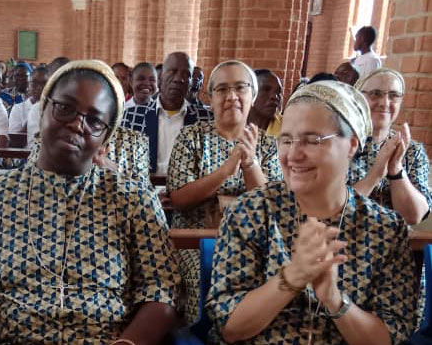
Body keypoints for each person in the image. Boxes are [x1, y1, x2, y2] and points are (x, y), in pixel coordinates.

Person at [0, 60, 180, 345]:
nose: (77, 124)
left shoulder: (133, 199)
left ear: (105, 137)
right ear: (44, 109)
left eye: (94, 120)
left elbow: (162, 291)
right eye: (65, 108)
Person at [207, 80, 417, 344]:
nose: (293, 155)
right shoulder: (251, 211)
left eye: (311, 140)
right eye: (286, 140)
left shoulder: (384, 228)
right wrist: (293, 276)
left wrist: (334, 300)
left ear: (352, 144)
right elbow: (229, 326)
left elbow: (389, 337)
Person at [167, 60, 282, 323]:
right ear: (210, 97)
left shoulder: (267, 144)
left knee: (277, 278)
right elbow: (180, 199)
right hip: (197, 242)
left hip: (255, 243)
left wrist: (250, 163)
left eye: (240, 88)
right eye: (222, 89)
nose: (232, 96)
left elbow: (273, 205)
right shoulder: (191, 137)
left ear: (252, 95)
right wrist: (225, 172)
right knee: (208, 274)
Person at [349, 68, 431, 224]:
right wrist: (375, 175)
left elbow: (414, 217)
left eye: (393, 96)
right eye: (376, 94)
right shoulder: (337, 144)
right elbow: (332, 209)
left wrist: (396, 169)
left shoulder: (412, 151)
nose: (384, 103)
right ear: (358, 98)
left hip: (392, 245)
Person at [122, 51, 212, 175]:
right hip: (144, 189)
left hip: (189, 190)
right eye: (172, 72)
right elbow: (123, 165)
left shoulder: (204, 119)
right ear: (160, 79)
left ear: (191, 83)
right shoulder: (132, 116)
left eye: (186, 74)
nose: (179, 79)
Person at [9, 66, 48, 144]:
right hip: (23, 154)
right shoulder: (18, 109)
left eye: (44, 83)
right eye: (34, 82)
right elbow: (15, 142)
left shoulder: (53, 108)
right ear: (28, 84)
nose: (40, 87)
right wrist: (34, 115)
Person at [247, 69, 284, 137]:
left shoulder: (287, 129)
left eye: (278, 92)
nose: (275, 97)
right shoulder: (231, 125)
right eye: (266, 89)